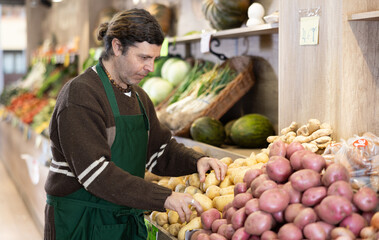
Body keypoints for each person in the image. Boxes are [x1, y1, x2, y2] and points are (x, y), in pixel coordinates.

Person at [44, 8, 227, 240]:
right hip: (82, 221)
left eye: (154, 59)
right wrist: (163, 197)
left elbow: (159, 152)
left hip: (123, 220)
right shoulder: (80, 95)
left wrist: (197, 160)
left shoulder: (138, 97)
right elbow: (96, 173)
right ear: (117, 47)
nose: (150, 68)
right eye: (143, 58)